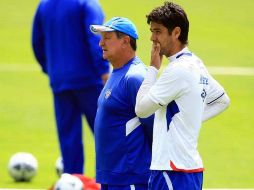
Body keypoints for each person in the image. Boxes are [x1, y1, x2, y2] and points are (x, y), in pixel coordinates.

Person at [135, 2, 230, 190]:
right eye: (152, 31)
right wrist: (189, 120)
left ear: (176, 32)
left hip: (171, 170)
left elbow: (141, 109)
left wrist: (153, 68)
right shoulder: (196, 64)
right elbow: (222, 100)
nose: (152, 38)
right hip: (188, 169)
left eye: (158, 31)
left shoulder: (177, 71)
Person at [31, 0, 110, 174]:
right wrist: (104, 70)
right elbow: (95, 38)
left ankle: (73, 182)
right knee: (107, 134)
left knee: (69, 140)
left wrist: (52, 68)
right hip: (89, 80)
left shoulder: (44, 5)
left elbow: (36, 42)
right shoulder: (86, 4)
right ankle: (115, 182)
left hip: (60, 82)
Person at [90, 17, 154, 190]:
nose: (101, 43)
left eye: (107, 38)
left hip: (129, 176)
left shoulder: (135, 77)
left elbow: (155, 127)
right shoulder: (117, 73)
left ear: (125, 41)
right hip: (112, 175)